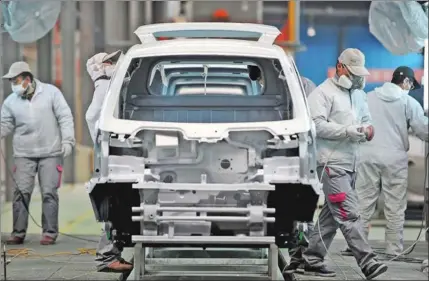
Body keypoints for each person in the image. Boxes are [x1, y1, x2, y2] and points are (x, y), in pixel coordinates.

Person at [296, 48, 388, 279]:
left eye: (359, 73)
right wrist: (347, 130)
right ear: (340, 67)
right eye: (353, 72)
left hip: (351, 163)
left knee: (331, 215)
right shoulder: (322, 94)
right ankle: (368, 262)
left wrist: (368, 129)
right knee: (348, 214)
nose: (357, 78)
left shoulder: (358, 95)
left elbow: (366, 119)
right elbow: (315, 125)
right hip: (331, 164)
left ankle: (311, 259)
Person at [342, 66, 428, 256]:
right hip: (394, 159)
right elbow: (423, 130)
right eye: (410, 85)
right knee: (395, 206)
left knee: (363, 202)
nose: (409, 88)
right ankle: (393, 249)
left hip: (367, 154)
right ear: (406, 82)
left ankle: (357, 247)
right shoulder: (408, 102)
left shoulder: (369, 97)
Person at [1, 61, 75, 245]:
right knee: (21, 192)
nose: (13, 85)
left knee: (49, 192)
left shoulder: (51, 93)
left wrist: (68, 141)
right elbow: (5, 124)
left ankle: (50, 233)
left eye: (16, 80)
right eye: (11, 81)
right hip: (23, 153)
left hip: (51, 152)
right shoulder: (10, 102)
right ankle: (18, 232)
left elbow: (65, 117)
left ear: (27, 79)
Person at [85, 50, 132, 273]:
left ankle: (110, 254)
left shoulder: (111, 84)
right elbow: (92, 116)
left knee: (115, 203)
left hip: (110, 150)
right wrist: (103, 142)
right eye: (110, 62)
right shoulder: (104, 85)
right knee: (112, 205)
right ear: (101, 67)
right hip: (108, 152)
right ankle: (107, 256)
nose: (115, 64)